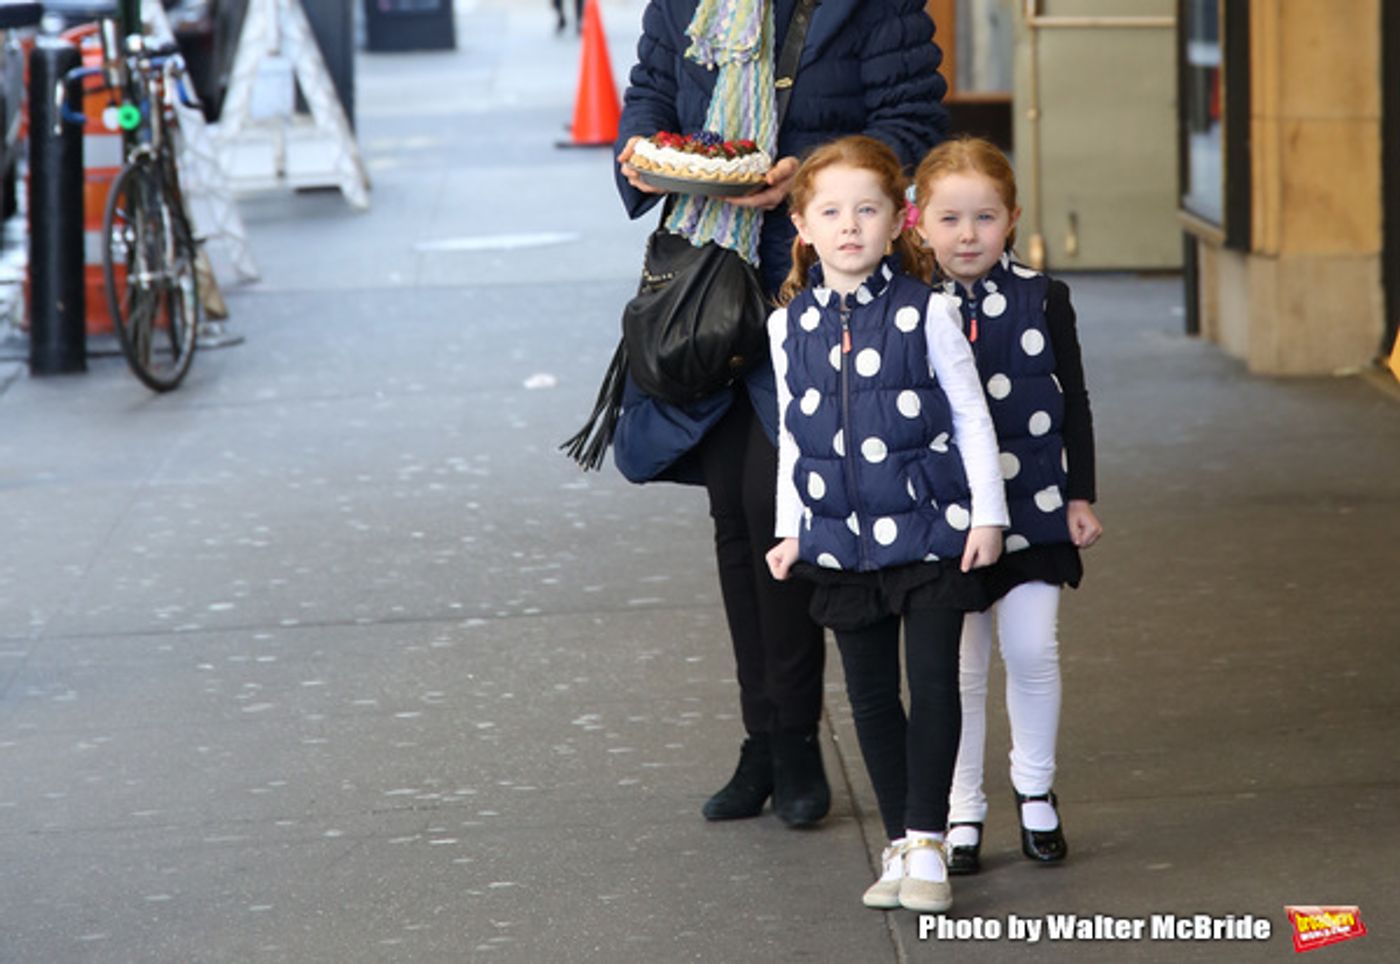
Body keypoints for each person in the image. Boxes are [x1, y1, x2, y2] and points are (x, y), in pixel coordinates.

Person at [610, 0, 949, 828]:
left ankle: (796, 741)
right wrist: (642, 153)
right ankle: (761, 739)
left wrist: (812, 179)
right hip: (707, 285)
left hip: (819, 288)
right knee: (734, 516)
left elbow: (910, 120)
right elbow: (653, 92)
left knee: (776, 515)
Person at [764, 136, 1007, 913]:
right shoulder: (787, 327)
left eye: (867, 209)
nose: (849, 226)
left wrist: (989, 516)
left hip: (934, 530)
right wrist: (790, 529)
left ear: (898, 219)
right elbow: (795, 440)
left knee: (934, 684)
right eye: (830, 211)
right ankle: (902, 842)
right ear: (801, 224)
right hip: (838, 541)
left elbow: (972, 415)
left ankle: (930, 840)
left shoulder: (926, 311)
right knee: (870, 697)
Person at [911, 136, 1103, 874]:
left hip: (1036, 503)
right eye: (951, 218)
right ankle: (962, 808)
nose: (968, 235)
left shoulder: (1044, 297)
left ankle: (1036, 791)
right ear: (917, 222)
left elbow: (1075, 398)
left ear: (1012, 219)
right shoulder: (910, 309)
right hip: (948, 514)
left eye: (984, 218)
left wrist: (1080, 492)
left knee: (1031, 650)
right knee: (960, 670)